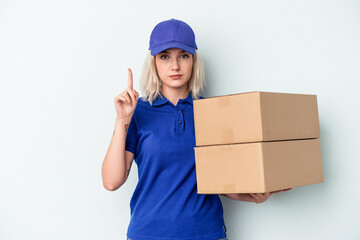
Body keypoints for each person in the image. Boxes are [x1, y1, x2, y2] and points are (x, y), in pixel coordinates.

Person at [102, 18, 287, 240]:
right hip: (148, 233)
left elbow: (220, 180)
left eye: (183, 56)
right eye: (165, 57)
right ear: (153, 63)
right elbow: (111, 181)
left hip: (205, 233)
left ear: (194, 60)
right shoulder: (137, 112)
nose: (175, 66)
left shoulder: (214, 112)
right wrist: (122, 118)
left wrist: (254, 196)